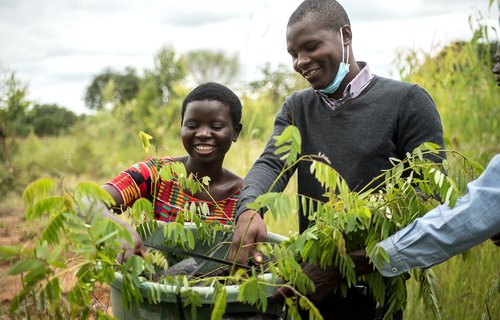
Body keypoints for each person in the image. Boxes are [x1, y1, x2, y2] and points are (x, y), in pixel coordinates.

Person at [229, 0, 445, 318]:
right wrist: (249, 208)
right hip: (309, 286)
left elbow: (428, 202)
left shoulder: (407, 102)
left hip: (374, 291)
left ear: (345, 35)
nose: (301, 62)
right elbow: (272, 164)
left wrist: (339, 268)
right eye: (293, 54)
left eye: (311, 46)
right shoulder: (297, 108)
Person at [94, 82, 243, 263]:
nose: (203, 133)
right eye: (192, 125)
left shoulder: (244, 196)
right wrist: (117, 228)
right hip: (148, 285)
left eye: (217, 126)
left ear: (235, 132)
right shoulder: (156, 173)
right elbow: (88, 201)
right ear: (182, 126)